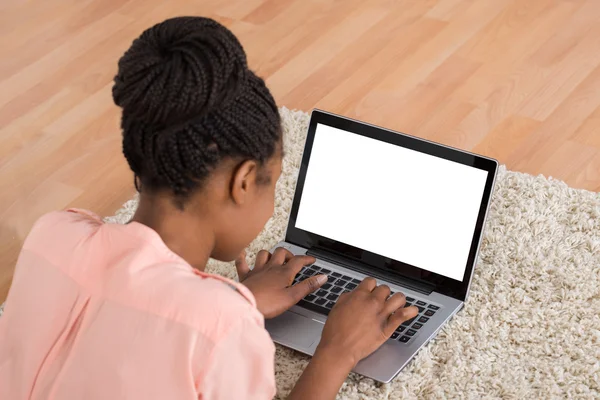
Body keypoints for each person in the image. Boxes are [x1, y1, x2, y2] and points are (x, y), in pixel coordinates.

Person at [0, 17, 418, 399]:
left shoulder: (54, 234)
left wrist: (238, 302)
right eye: (270, 182)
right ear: (242, 182)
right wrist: (336, 352)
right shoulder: (221, 326)